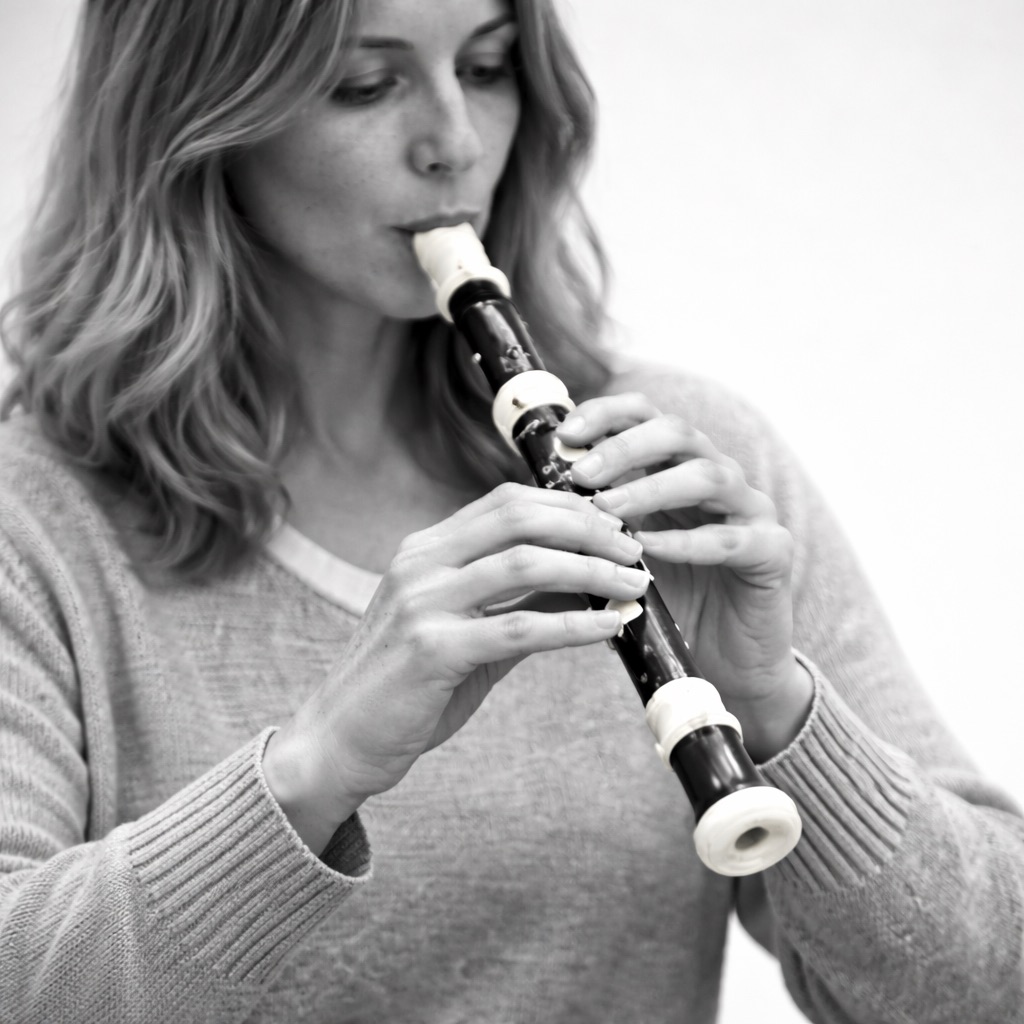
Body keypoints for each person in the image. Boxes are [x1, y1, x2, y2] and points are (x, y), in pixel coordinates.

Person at [0, 0, 1020, 1021]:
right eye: (365, 83)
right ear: (196, 113)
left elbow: (992, 991)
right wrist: (313, 771)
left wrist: (776, 708)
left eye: (487, 69)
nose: (455, 143)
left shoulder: (677, 464)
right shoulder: (34, 515)